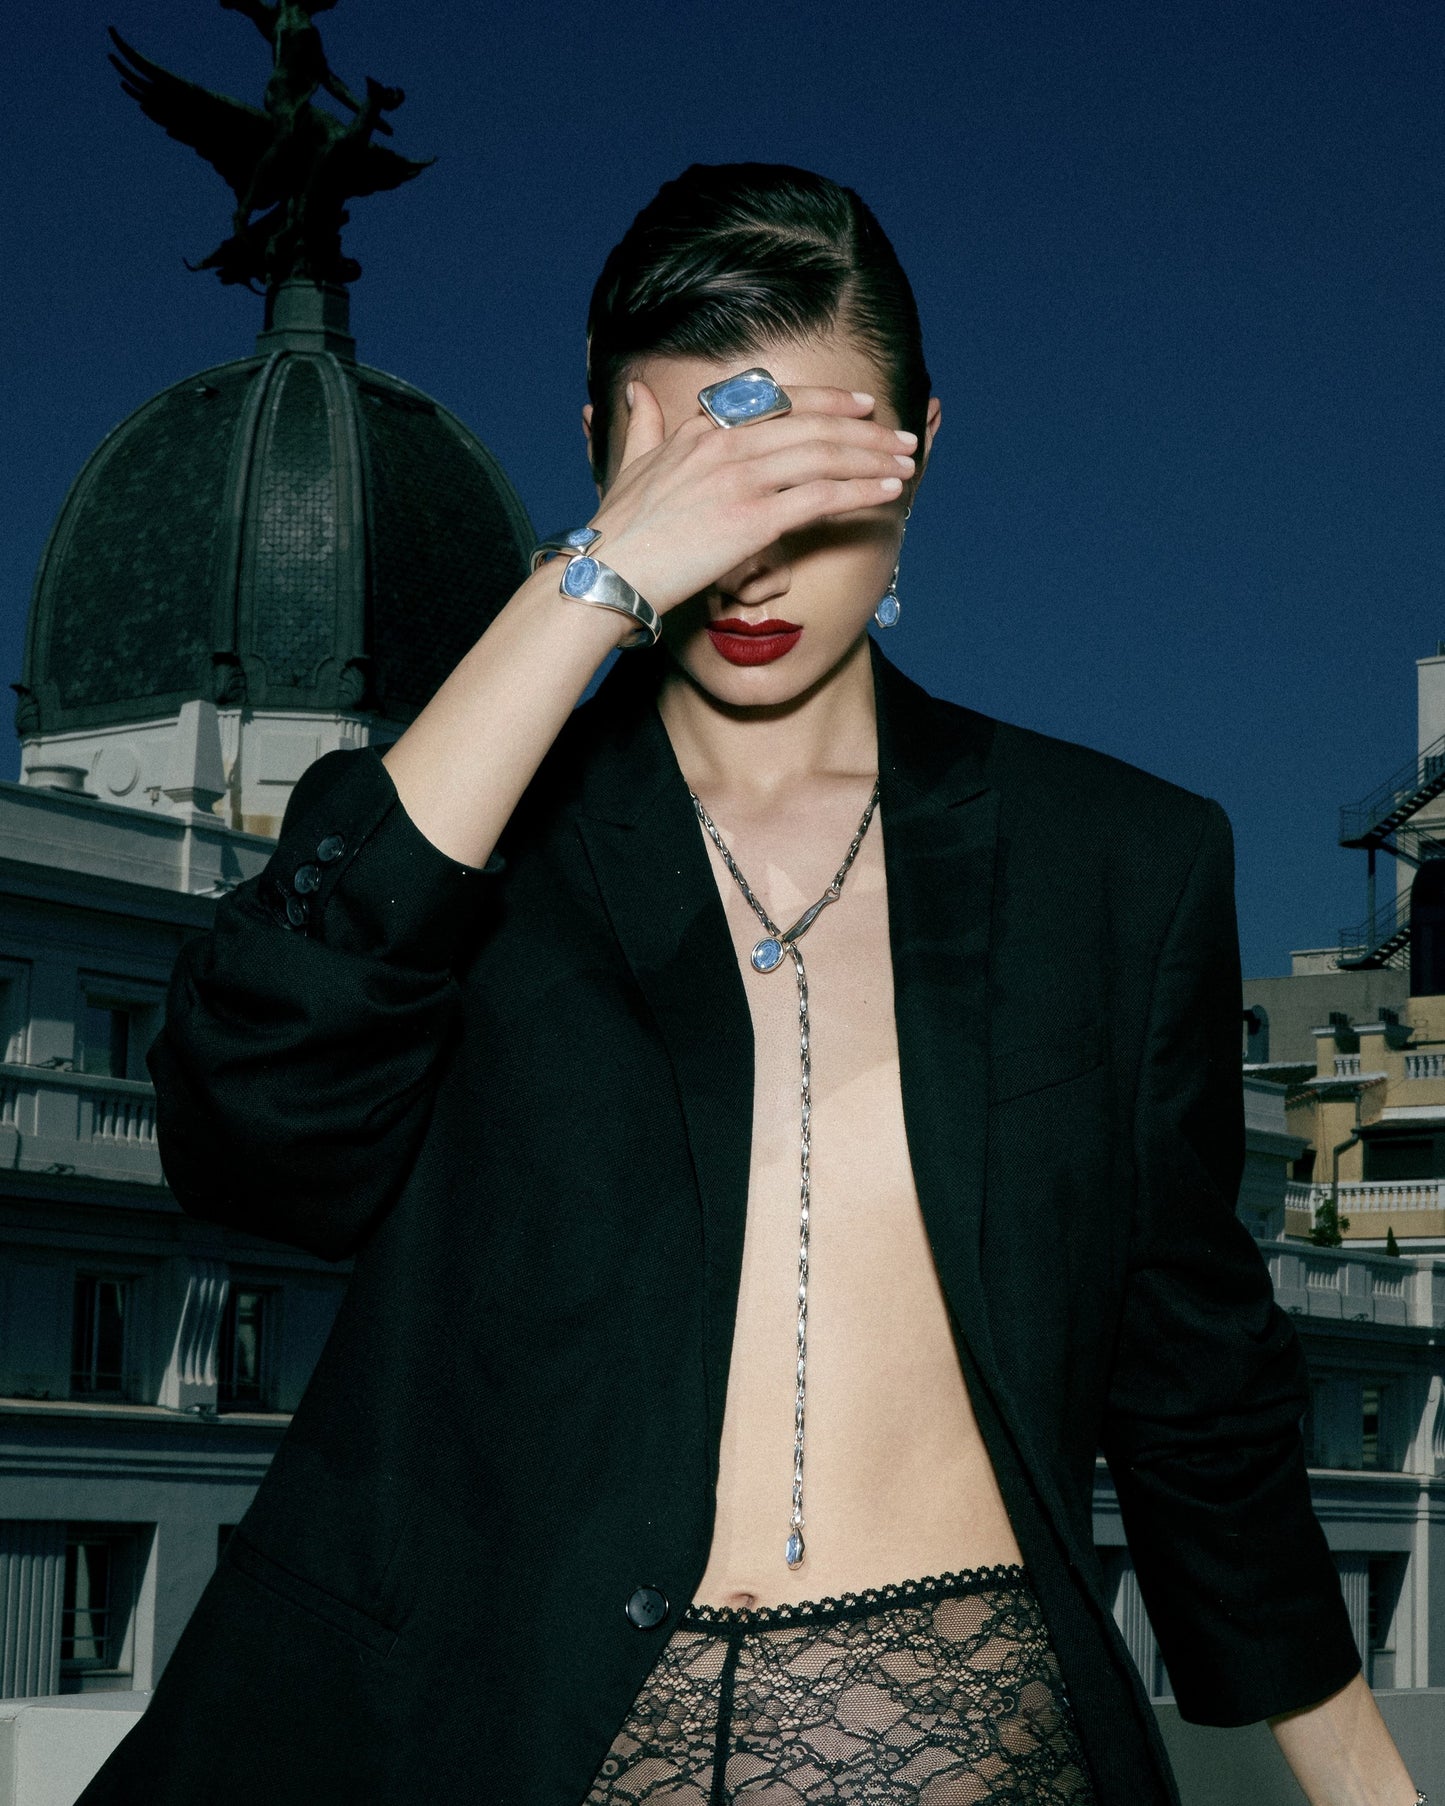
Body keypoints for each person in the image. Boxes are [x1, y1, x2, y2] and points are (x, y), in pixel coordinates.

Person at [78, 163, 1425, 1806]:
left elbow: (1192, 1378)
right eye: (703, 480)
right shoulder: (453, 843)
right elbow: (247, 1143)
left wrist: (1362, 1783)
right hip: (491, 1749)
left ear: (919, 444)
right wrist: (590, 584)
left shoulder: (1116, 862)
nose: (754, 561)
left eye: (808, 475)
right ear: (601, 457)